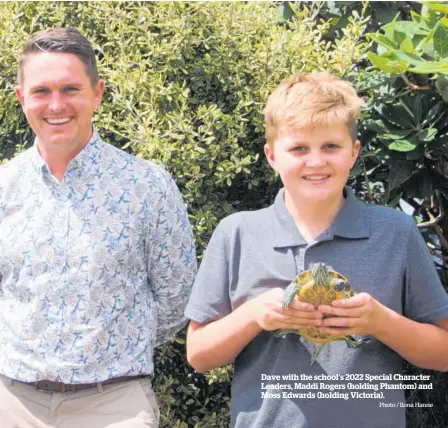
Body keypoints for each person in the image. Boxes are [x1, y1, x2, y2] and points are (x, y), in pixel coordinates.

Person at [185, 72, 448, 428]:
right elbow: (199, 355)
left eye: (330, 146)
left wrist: (380, 322)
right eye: (298, 149)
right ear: (272, 155)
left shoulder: (395, 233)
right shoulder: (238, 233)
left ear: (353, 153)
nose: (315, 162)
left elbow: (443, 352)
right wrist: (253, 315)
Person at [0, 27, 196, 428]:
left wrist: (114, 345)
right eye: (41, 91)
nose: (56, 104)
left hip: (115, 406)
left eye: (70, 89)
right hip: (12, 404)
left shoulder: (147, 186)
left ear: (97, 93)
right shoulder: (4, 188)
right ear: (22, 99)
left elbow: (177, 298)